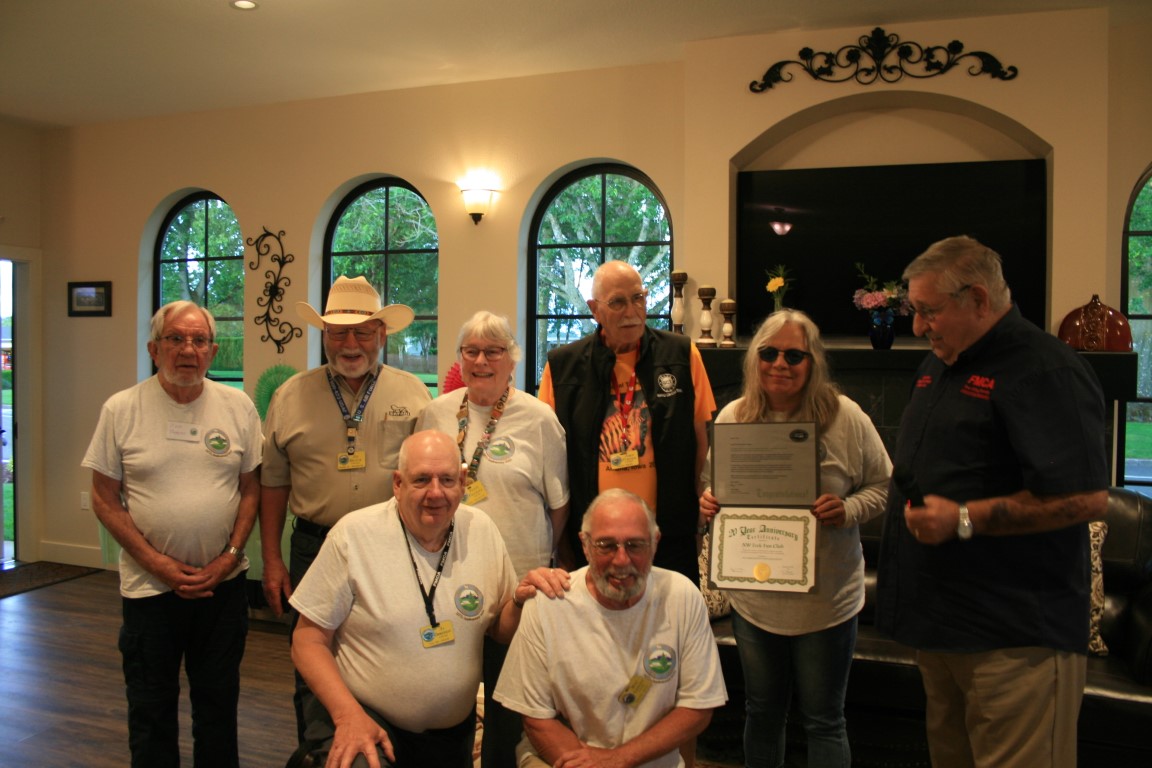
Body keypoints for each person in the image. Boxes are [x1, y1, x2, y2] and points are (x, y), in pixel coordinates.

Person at [875, 236, 1109, 768]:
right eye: (915, 312)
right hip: (941, 628)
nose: (918, 327)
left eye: (929, 311)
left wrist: (964, 519)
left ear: (978, 298)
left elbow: (1086, 498)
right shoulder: (938, 365)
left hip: (1014, 638)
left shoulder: (1045, 369)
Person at [288, 430, 569, 768]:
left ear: (462, 483)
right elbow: (307, 640)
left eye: (447, 480)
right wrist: (348, 715)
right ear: (397, 483)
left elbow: (499, 629)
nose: (435, 493)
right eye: (421, 480)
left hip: (451, 735)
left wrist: (522, 601)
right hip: (367, 718)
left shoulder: (481, 529)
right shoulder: (353, 536)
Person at [698, 310, 891, 768]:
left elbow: (885, 486)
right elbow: (713, 485)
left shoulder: (846, 417)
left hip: (825, 604)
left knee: (824, 720)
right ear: (755, 360)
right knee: (762, 713)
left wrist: (848, 509)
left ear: (813, 361)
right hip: (755, 603)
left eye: (793, 355)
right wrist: (709, 502)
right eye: (769, 353)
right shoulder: (734, 416)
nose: (779, 364)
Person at [81, 301, 263, 767]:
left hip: (222, 589)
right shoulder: (122, 409)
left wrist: (230, 555)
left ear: (213, 351)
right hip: (150, 591)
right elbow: (104, 498)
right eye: (175, 339)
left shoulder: (238, 406)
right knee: (151, 709)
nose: (188, 350)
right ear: (154, 348)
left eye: (199, 340)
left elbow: (251, 489)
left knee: (218, 706)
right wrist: (156, 562)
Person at [260, 274, 432, 739]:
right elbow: (272, 483)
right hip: (314, 548)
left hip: (390, 550)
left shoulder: (413, 395)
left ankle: (382, 750)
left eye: (362, 332)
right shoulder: (289, 396)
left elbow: (429, 481)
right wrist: (272, 560)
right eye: (338, 333)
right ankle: (319, 753)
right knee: (311, 659)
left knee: (389, 657)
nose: (350, 344)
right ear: (324, 335)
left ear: (381, 334)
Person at [416, 310, 570, 768]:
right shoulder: (436, 413)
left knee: (507, 708)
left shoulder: (539, 419)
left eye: (493, 351)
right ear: (460, 358)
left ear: (512, 359)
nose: (482, 361)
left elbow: (559, 505)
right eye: (472, 351)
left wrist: (541, 556)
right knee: (447, 699)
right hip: (446, 577)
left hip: (515, 585)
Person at [494, 488, 728, 768]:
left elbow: (699, 705)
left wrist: (617, 760)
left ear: (655, 543)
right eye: (606, 545)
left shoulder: (682, 596)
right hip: (565, 758)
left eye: (635, 545)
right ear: (585, 544)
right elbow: (536, 718)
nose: (621, 560)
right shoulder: (548, 603)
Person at [538, 260, 716, 583]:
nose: (632, 311)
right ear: (594, 309)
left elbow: (701, 439)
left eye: (638, 298)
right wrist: (559, 538)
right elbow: (550, 460)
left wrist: (698, 518)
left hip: (669, 534)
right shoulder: (563, 367)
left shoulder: (681, 355)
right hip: (594, 540)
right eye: (618, 302)